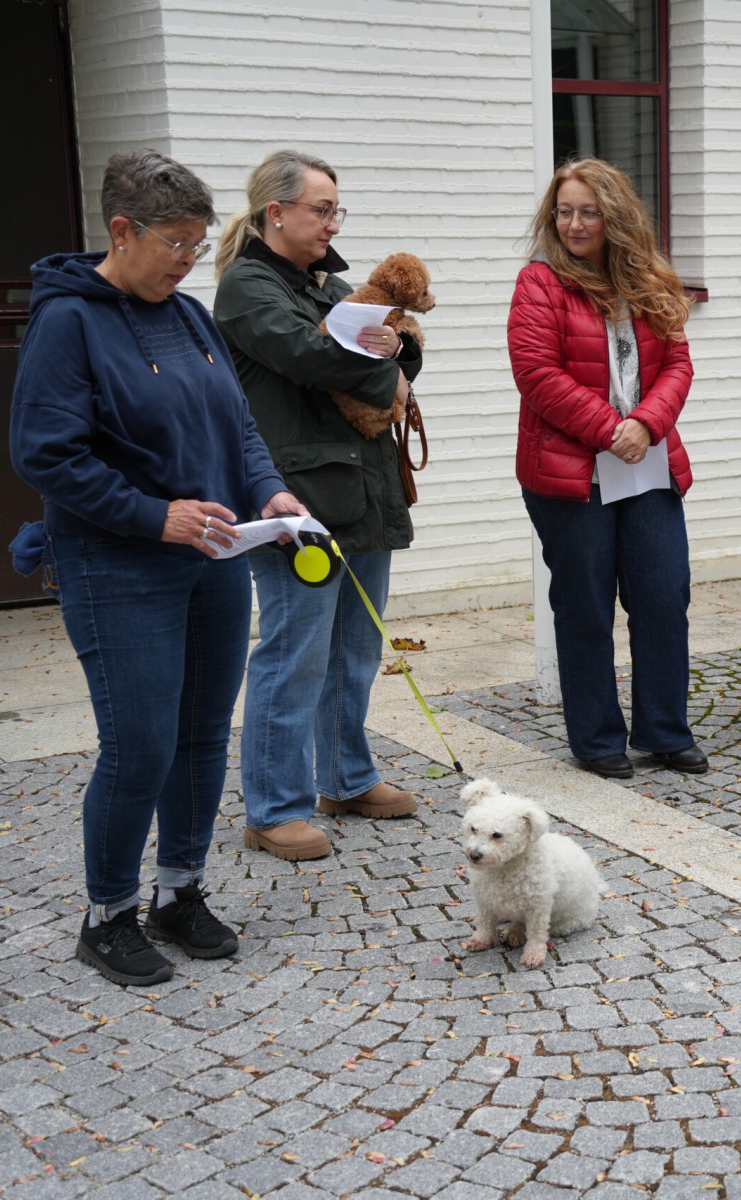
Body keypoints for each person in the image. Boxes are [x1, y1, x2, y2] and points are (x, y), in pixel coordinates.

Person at [10, 149, 304, 986]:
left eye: (196, 242)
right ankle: (108, 915)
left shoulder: (189, 316)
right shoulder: (68, 322)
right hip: (117, 565)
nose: (187, 257)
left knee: (202, 736)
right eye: (174, 241)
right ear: (121, 230)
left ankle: (180, 891)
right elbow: (44, 454)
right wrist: (156, 515)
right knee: (140, 746)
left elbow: (238, 427)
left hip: (215, 558)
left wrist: (270, 490)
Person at [213, 150, 423, 862]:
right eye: (321, 209)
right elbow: (309, 356)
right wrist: (385, 370)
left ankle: (347, 778)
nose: (334, 223)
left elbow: (391, 348)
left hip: (363, 489)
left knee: (355, 648)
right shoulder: (246, 287)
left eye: (338, 210)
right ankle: (274, 809)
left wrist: (396, 351)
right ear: (276, 213)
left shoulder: (330, 284)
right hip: (295, 499)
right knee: (294, 652)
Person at [506, 158, 706, 781]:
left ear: (615, 216)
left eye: (588, 212)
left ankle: (664, 732)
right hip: (570, 475)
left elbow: (678, 364)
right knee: (585, 606)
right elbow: (536, 372)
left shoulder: (651, 278)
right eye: (564, 211)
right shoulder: (539, 283)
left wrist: (646, 424)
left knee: (664, 594)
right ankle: (596, 739)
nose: (574, 223)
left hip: (647, 465)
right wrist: (609, 430)